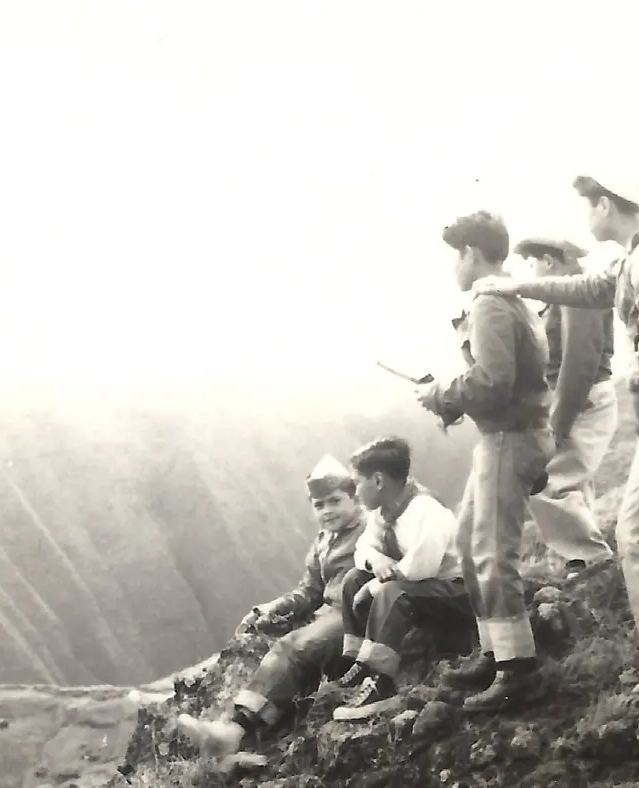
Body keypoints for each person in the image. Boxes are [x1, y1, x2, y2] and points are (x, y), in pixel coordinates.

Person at [474, 174, 639, 698]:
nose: (586, 218)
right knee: (633, 530)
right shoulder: (635, 255)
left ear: (605, 205)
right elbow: (587, 289)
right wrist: (520, 285)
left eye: (588, 207)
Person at [415, 211, 554, 714]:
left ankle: (518, 670)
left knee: (492, 551)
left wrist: (443, 395)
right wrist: (452, 401)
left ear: (473, 254)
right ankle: (494, 650)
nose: (455, 265)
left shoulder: (491, 305)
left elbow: (494, 379)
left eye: (458, 254)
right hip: (505, 436)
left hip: (509, 440)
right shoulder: (509, 299)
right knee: (471, 544)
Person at [175, 456, 372, 759]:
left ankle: (231, 733)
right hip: (328, 614)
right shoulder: (324, 541)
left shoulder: (370, 528)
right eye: (319, 505)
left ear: (354, 498)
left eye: (335, 501)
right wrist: (272, 608)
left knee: (293, 648)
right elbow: (310, 589)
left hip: (355, 612)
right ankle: (242, 743)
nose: (327, 511)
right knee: (272, 648)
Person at [331, 436, 475, 722]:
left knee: (389, 593)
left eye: (358, 483)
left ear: (379, 481)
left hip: (458, 590)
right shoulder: (383, 513)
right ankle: (358, 660)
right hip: (420, 588)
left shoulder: (426, 510)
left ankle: (380, 684)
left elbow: (421, 568)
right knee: (352, 579)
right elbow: (364, 548)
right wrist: (377, 561)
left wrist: (376, 584)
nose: (356, 491)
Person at [513, 235, 619, 582]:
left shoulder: (575, 296)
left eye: (533, 263)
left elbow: (579, 362)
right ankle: (585, 564)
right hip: (576, 398)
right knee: (573, 484)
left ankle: (594, 559)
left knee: (546, 481)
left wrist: (557, 424)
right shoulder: (568, 297)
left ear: (547, 262)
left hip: (581, 399)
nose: (532, 271)